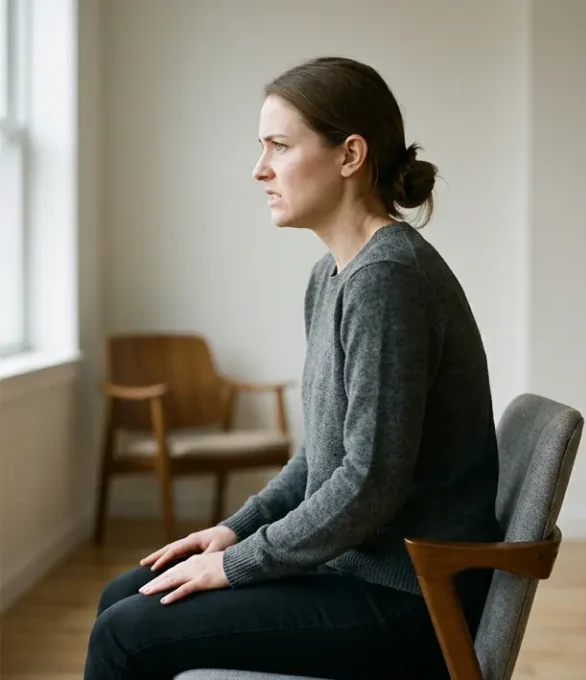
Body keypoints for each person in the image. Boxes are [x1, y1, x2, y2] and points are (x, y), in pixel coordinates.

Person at [85, 56, 504, 680]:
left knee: (126, 634)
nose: (260, 169)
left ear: (349, 155)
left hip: (411, 599)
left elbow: (367, 483)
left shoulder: (388, 279)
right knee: (124, 595)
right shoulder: (332, 277)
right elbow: (321, 459)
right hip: (358, 571)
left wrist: (237, 566)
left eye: (279, 146)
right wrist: (231, 533)